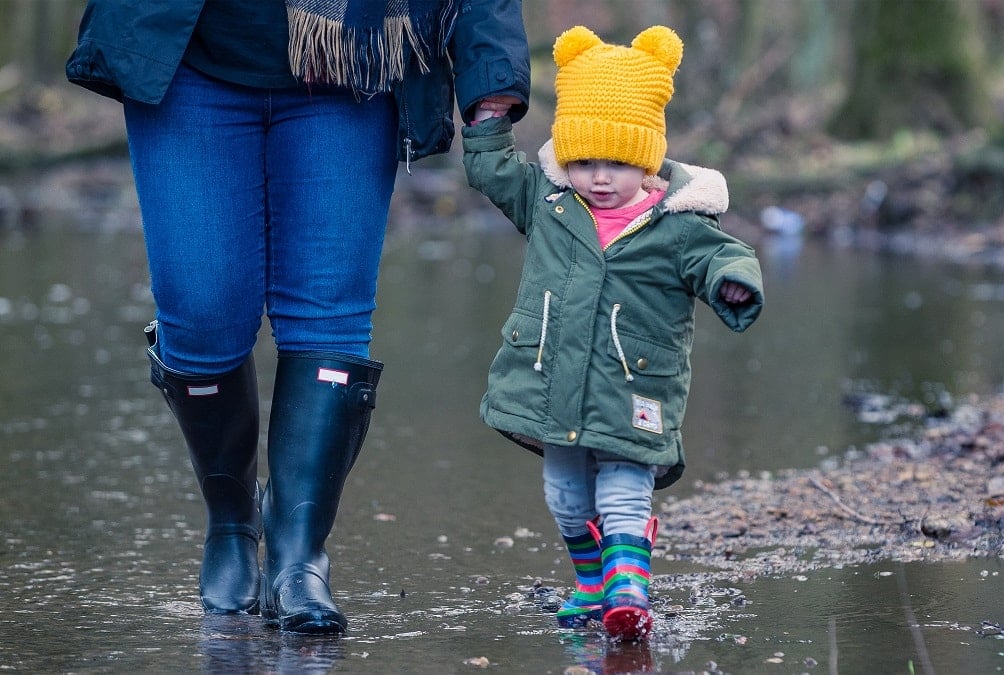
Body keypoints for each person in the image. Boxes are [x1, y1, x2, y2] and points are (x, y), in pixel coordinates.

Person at [65, 0, 529, 635]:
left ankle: (298, 556)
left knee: (328, 317)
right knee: (201, 317)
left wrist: (490, 78)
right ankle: (232, 521)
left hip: (355, 63)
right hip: (189, 57)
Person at [462, 25, 763, 641]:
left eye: (618, 163)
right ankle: (593, 583)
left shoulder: (678, 225)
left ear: (647, 162)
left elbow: (721, 256)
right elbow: (492, 171)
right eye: (585, 162)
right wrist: (488, 121)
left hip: (634, 387)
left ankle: (630, 584)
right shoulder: (548, 207)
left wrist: (732, 280)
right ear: (566, 159)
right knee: (567, 496)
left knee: (625, 487)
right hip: (554, 383)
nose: (601, 177)